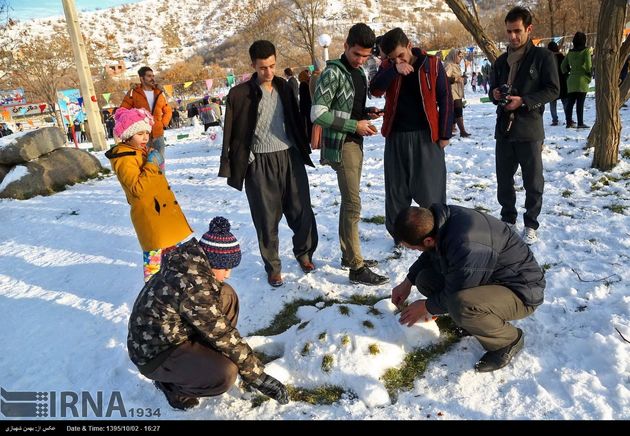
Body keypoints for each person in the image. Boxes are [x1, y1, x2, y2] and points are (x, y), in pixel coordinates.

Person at [127, 217, 289, 410]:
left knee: (226, 293)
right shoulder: (193, 285)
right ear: (211, 262)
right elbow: (222, 334)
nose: (228, 273)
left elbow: (218, 326)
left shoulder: (190, 262)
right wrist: (258, 377)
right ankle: (173, 388)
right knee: (224, 374)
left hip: (173, 334)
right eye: (225, 267)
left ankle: (205, 354)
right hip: (155, 355)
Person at [391, 204, 545, 372]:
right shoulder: (439, 222)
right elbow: (431, 253)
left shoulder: (467, 244)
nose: (415, 250)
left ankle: (508, 340)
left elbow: (456, 292)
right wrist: (408, 281)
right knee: (425, 279)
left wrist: (426, 306)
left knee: (461, 305)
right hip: (488, 278)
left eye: (413, 247)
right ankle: (474, 322)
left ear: (427, 240)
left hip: (521, 291)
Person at [219, 40, 318, 287]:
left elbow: (295, 118)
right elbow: (233, 131)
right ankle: (273, 267)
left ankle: (304, 253)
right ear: (253, 65)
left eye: (272, 66)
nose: (269, 72)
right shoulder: (239, 94)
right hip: (259, 163)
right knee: (266, 218)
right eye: (263, 67)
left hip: (289, 156)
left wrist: (301, 145)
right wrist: (246, 157)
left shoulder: (284, 87)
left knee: (301, 210)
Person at [311, 23, 388, 286]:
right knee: (353, 204)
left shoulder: (360, 72)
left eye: (366, 56)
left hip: (355, 141)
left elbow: (350, 108)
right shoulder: (332, 73)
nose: (361, 60)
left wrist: (367, 113)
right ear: (345, 46)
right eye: (357, 54)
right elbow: (318, 113)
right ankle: (356, 267)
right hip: (342, 144)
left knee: (349, 203)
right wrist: (355, 125)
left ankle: (349, 256)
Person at [369, 27, 453, 254]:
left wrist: (445, 133)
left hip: (427, 137)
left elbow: (445, 98)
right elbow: (375, 89)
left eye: (400, 55)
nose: (398, 60)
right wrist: (395, 69)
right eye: (391, 57)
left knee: (431, 190)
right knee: (396, 190)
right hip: (396, 137)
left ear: (409, 46)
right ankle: (399, 235)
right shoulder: (388, 67)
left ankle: (434, 234)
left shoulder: (432, 64)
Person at [489, 6, 559, 245]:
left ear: (529, 29)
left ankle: (531, 223)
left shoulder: (543, 57)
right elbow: (492, 90)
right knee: (503, 179)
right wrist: (496, 94)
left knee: (533, 180)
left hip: (529, 128)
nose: (512, 37)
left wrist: (525, 101)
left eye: (517, 31)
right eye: (508, 32)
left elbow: (553, 90)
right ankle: (508, 218)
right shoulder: (500, 61)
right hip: (504, 129)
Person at [105, 107, 193, 281]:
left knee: (174, 255)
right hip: (150, 217)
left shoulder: (139, 152)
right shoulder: (124, 158)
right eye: (139, 133)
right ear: (128, 135)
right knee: (154, 259)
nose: (145, 137)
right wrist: (151, 165)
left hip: (160, 213)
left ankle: (174, 284)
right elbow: (137, 188)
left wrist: (153, 164)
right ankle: (152, 292)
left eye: (147, 132)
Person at [121, 66, 172, 166]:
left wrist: (163, 124)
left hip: (158, 135)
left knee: (160, 163)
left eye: (153, 76)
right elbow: (123, 111)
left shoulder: (159, 92)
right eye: (149, 76)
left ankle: (161, 181)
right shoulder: (133, 93)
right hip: (141, 135)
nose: (152, 78)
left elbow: (168, 111)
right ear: (141, 78)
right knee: (144, 164)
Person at [561, 32, 592, 129]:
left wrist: (568, 73)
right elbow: (588, 66)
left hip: (571, 80)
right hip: (582, 80)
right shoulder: (586, 51)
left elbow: (562, 66)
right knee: (580, 104)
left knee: (570, 103)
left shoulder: (570, 52)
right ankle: (580, 123)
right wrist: (589, 74)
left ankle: (568, 122)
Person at [444, 49, 471, 137]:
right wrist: (455, 79)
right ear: (454, 55)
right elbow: (444, 79)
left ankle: (451, 129)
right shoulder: (449, 65)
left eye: (461, 57)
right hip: (451, 92)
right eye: (459, 56)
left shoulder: (456, 66)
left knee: (454, 111)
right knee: (458, 111)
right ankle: (462, 131)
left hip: (457, 92)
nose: (460, 58)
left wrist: (463, 78)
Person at [547, 41, 568, 126]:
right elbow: (566, 69)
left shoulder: (548, 59)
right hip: (562, 82)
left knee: (552, 103)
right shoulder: (562, 57)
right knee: (565, 102)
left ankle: (554, 119)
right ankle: (568, 117)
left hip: (552, 83)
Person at [298, 69, 313, 143]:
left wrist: (301, 110)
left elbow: (302, 99)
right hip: (311, 106)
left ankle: (309, 138)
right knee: (311, 124)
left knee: (308, 124)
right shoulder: (309, 82)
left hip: (306, 108)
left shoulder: (302, 84)